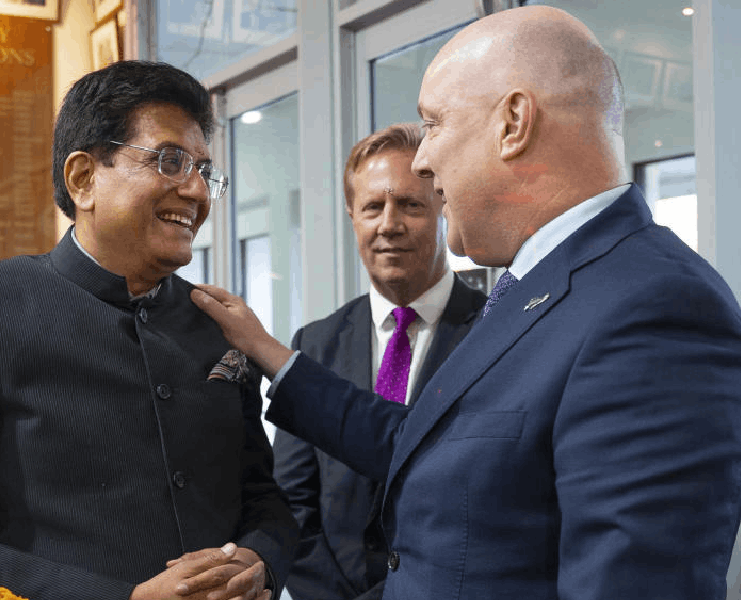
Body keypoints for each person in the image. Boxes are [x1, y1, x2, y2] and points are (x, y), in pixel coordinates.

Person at [188, 6, 741, 599]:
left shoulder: (655, 308)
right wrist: (269, 351)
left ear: (513, 122)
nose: (424, 159)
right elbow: (424, 445)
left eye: (434, 124)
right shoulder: (531, 286)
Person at [0, 60, 297, 600]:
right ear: (83, 179)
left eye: (204, 171)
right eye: (171, 161)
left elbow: (263, 498)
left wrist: (258, 559)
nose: (197, 191)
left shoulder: (216, 323)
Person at [271, 123, 486, 600]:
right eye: (372, 207)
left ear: (442, 210)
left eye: (411, 204)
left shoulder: (493, 333)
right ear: (353, 216)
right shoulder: (316, 344)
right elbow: (292, 504)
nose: (389, 224)